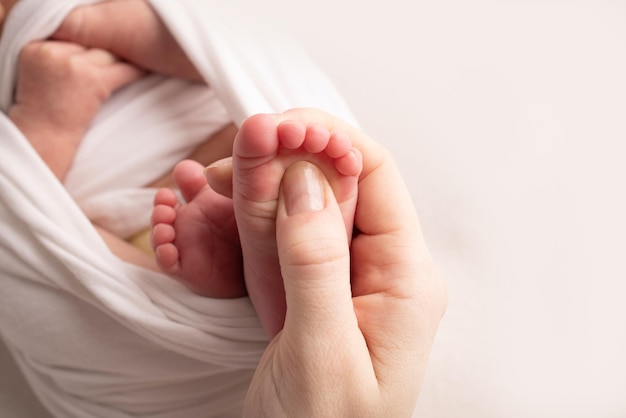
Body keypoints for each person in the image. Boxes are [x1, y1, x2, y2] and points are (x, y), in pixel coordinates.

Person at [5, 0, 448, 416]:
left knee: (53, 248)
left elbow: (23, 231)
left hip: (136, 189)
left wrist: (50, 118)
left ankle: (251, 257)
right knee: (274, 125)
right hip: (145, 204)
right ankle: (251, 260)